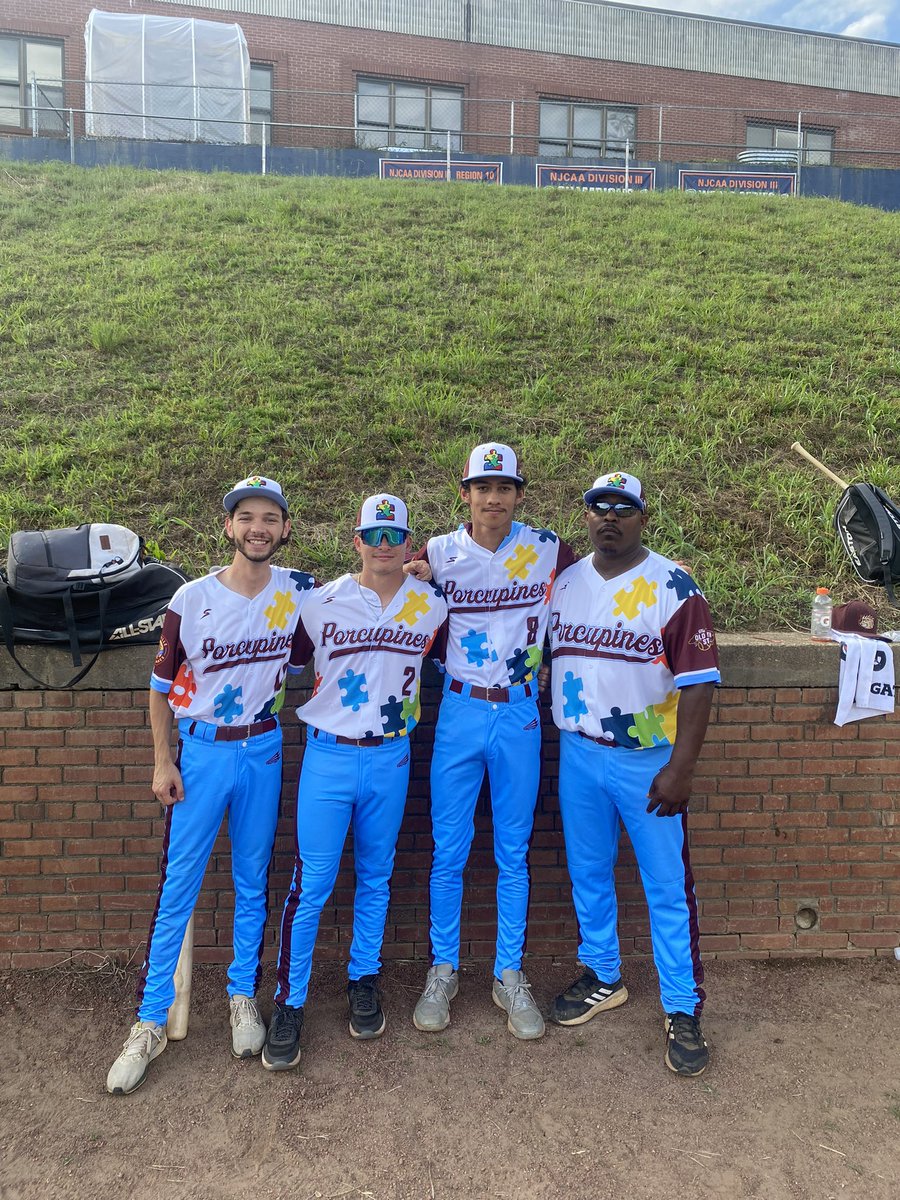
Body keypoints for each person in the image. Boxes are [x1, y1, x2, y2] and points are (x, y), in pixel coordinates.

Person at [106, 475, 316, 1095]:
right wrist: (161, 762)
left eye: (270, 518)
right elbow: (160, 688)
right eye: (246, 517)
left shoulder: (298, 593)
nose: (258, 528)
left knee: (254, 880)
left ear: (284, 529)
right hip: (200, 753)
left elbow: (356, 600)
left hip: (263, 747)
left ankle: (241, 997)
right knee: (180, 888)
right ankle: (147, 1022)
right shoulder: (191, 599)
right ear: (228, 527)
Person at [262, 494, 448, 1070]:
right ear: (357, 541)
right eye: (375, 535)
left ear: (410, 544)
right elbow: (286, 665)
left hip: (392, 757)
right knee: (311, 883)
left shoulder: (433, 608)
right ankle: (289, 1001)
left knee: (377, 876)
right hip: (329, 756)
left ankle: (362, 978)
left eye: (396, 536)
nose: (385, 546)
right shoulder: (318, 603)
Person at [547, 471, 719, 1076]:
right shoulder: (565, 583)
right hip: (578, 751)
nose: (610, 516)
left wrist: (681, 768)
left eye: (624, 507)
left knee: (666, 885)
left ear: (643, 517)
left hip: (647, 761)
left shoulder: (674, 585)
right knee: (588, 871)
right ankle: (604, 973)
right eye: (599, 506)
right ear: (586, 515)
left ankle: (681, 1006)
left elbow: (699, 688)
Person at [407, 442, 576, 1040]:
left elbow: (593, 596)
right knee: (448, 848)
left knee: (513, 849)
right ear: (466, 494)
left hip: (521, 712)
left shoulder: (551, 548)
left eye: (504, 488)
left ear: (519, 495)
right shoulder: (435, 552)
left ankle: (509, 971)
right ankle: (443, 966)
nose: (494, 498)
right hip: (457, 709)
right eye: (483, 487)